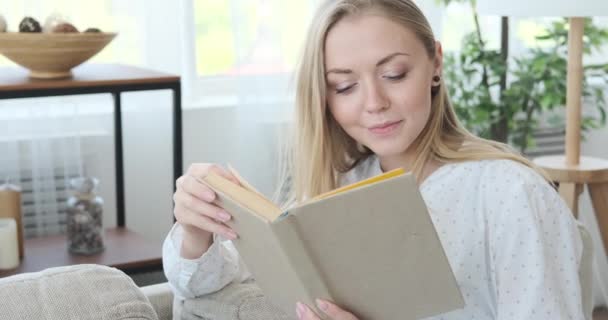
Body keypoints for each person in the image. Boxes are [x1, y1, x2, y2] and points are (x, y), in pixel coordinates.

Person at [163, 0, 585, 319]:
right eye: (344, 86)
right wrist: (196, 226)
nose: (374, 103)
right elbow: (201, 286)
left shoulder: (509, 194)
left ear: (435, 63)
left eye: (394, 75)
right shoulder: (335, 190)